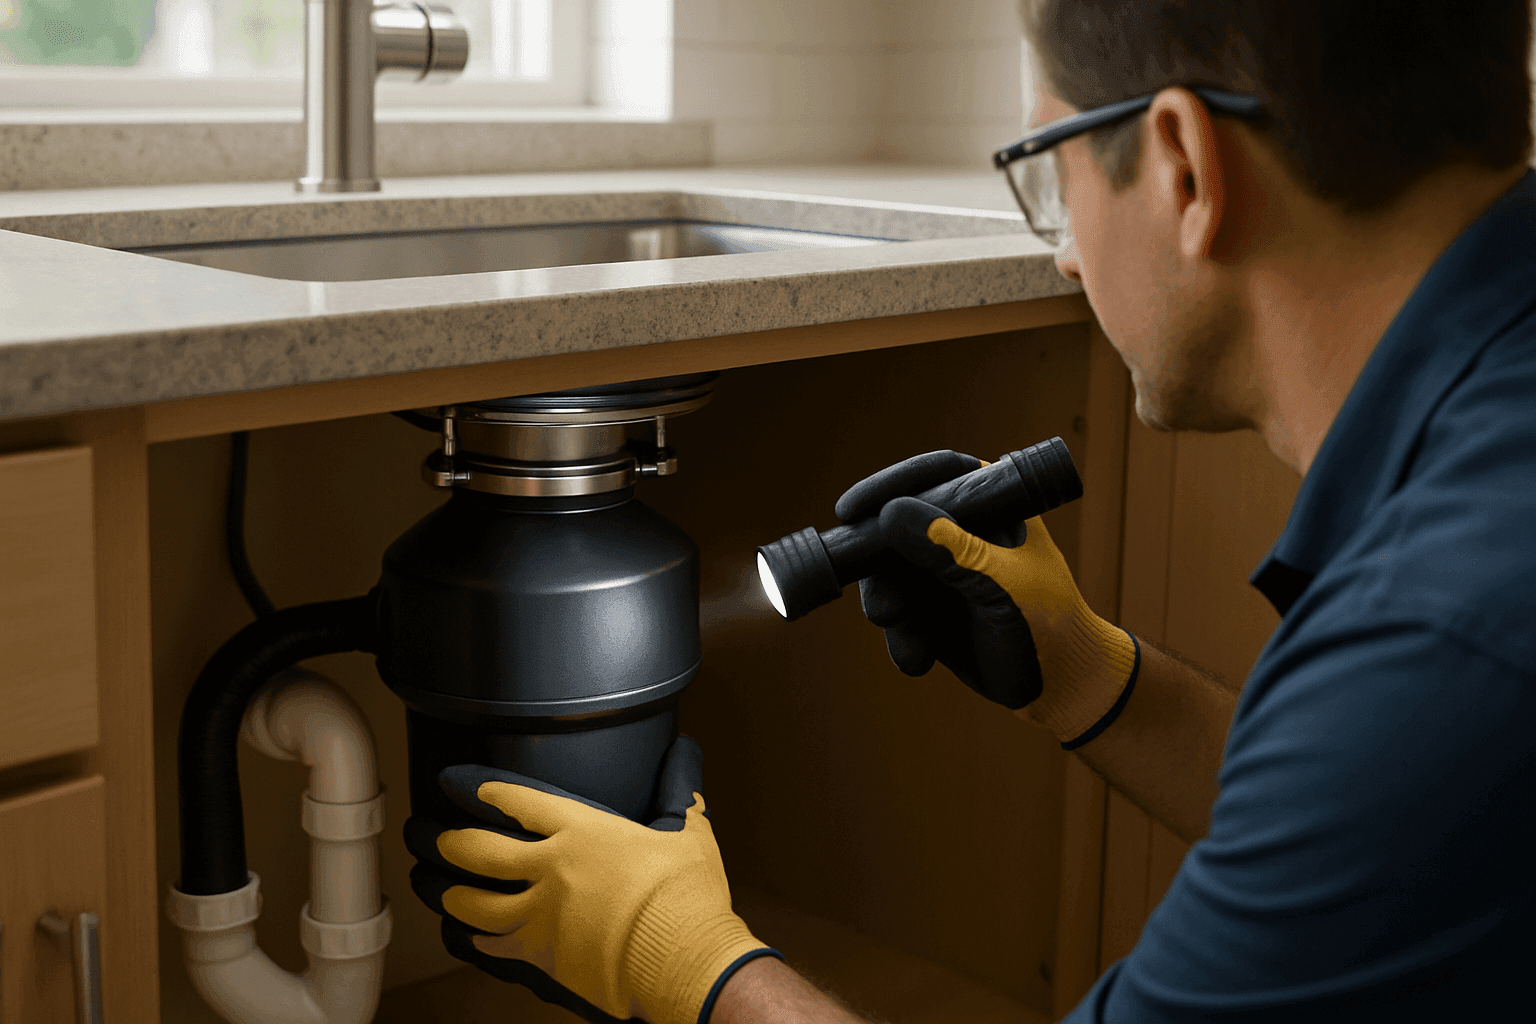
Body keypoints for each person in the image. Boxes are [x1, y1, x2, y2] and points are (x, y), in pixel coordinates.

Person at [406, 1, 1536, 1020]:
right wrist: (1094, 677)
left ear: (1185, 166)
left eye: (1049, 170)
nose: (1060, 252)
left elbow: (1401, 734)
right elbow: (1388, 833)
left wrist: (686, 958)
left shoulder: (1441, 633)